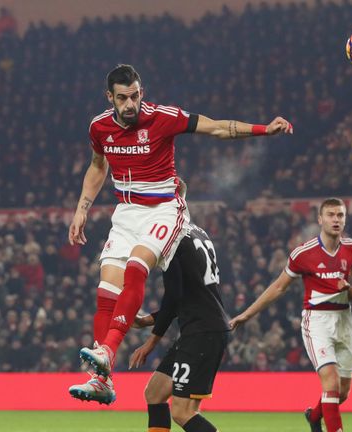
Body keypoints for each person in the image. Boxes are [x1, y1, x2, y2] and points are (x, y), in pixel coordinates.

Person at [67, 64, 291, 403]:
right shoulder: (99, 127)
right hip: (126, 212)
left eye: (136, 96)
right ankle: (103, 382)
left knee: (136, 267)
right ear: (109, 97)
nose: (131, 104)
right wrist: (82, 207)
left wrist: (264, 129)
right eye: (123, 98)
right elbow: (98, 166)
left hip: (164, 207)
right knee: (106, 289)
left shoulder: (163, 117)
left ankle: (108, 352)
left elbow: (217, 128)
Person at [229, 198, 352, 432]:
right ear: (320, 219)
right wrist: (247, 315)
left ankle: (314, 415)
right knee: (331, 382)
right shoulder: (303, 253)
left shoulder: (351, 248)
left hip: (344, 320)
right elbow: (278, 286)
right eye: (331, 215)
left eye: (340, 215)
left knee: (343, 392)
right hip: (316, 321)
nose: (336, 219)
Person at [128, 221, 229, 432]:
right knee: (155, 393)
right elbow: (188, 295)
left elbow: (174, 296)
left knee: (183, 412)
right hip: (202, 327)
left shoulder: (171, 238)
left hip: (202, 332)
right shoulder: (198, 232)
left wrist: (150, 342)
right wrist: (147, 320)